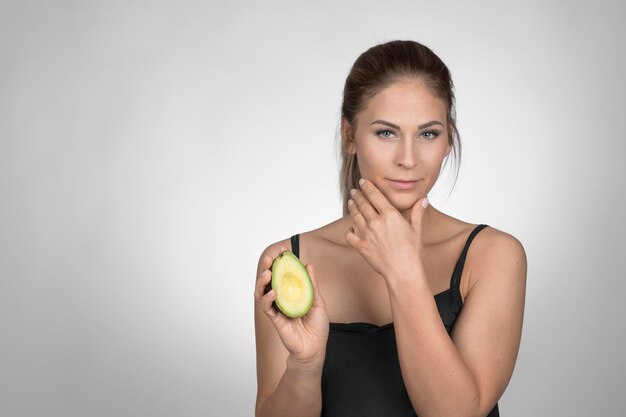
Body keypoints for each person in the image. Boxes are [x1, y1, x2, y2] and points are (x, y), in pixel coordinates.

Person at [253, 39, 527, 417]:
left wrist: (404, 273)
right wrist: (304, 364)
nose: (408, 159)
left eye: (428, 134)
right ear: (350, 136)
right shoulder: (287, 260)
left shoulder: (493, 255)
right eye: (386, 133)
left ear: (449, 139)